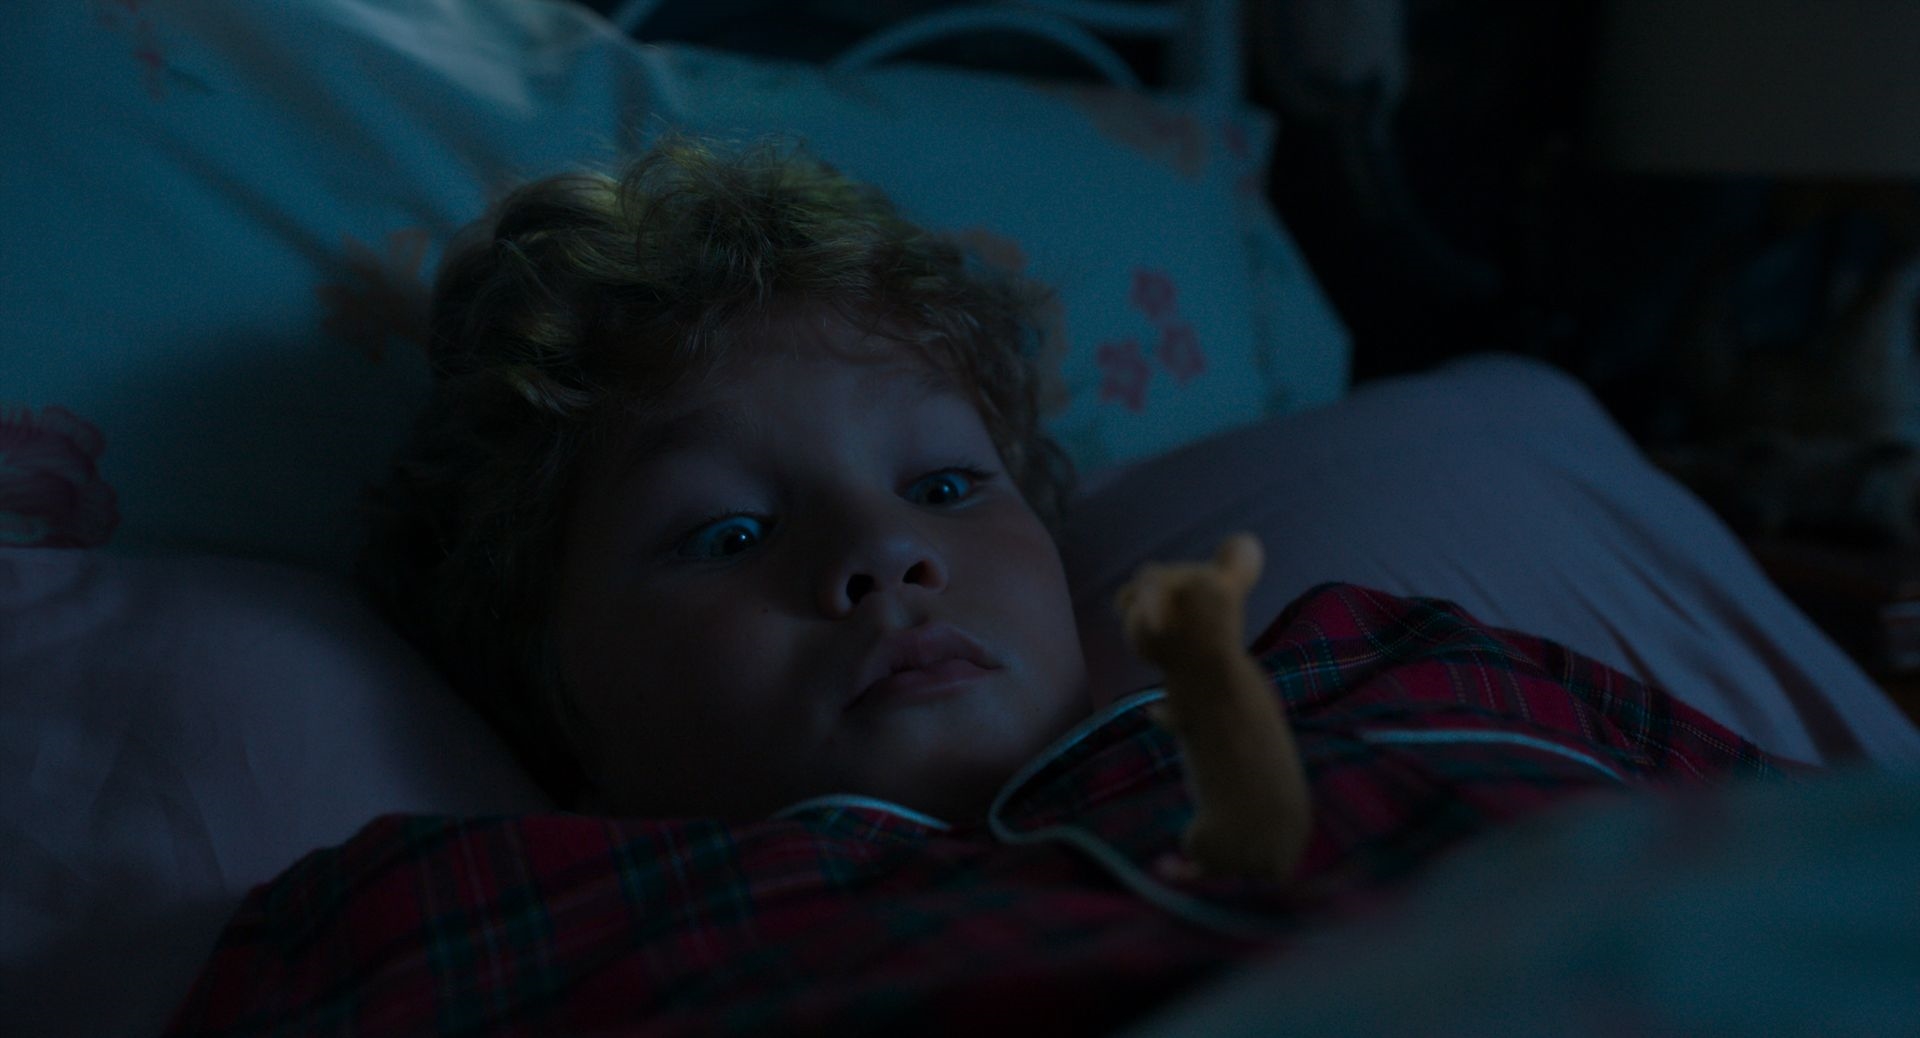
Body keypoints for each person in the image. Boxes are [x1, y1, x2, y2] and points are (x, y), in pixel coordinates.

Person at [196, 130, 1798, 1034]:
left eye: (948, 486)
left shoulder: (1398, 672)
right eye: (728, 533)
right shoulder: (477, 918)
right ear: (548, 689)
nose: (884, 554)